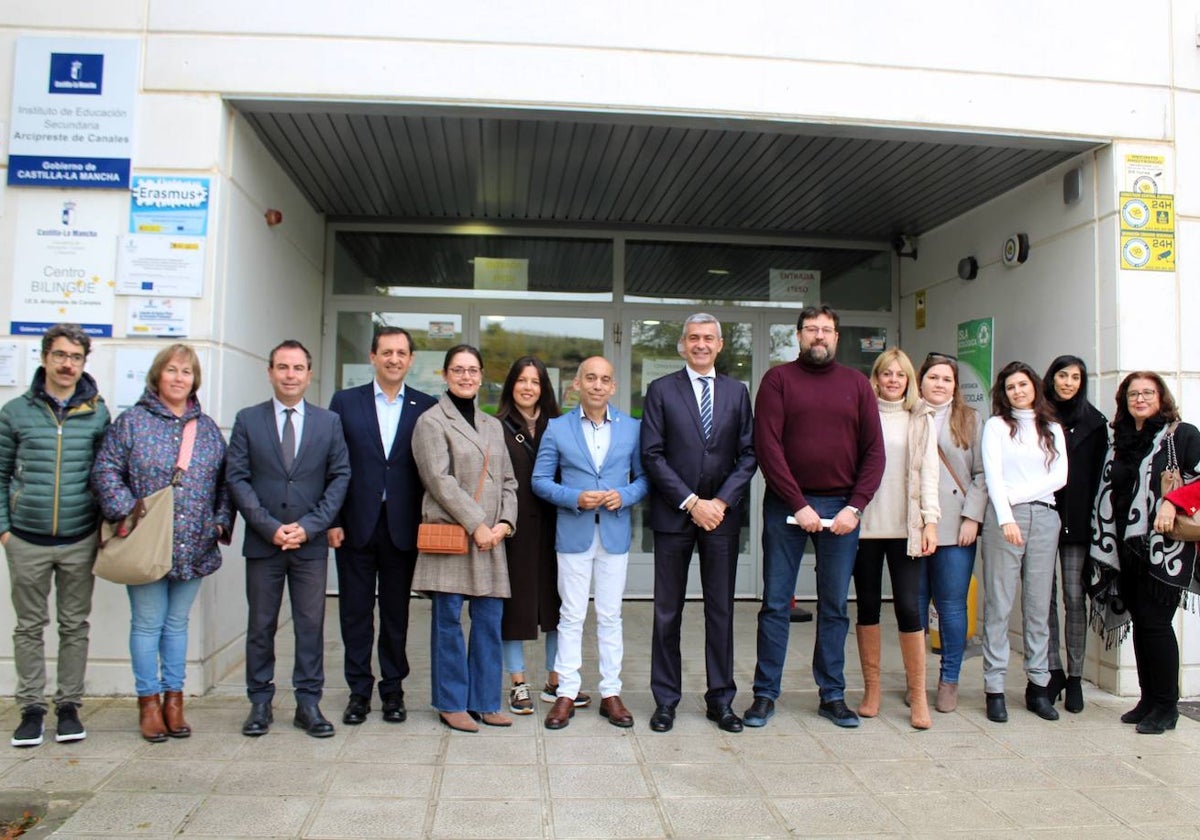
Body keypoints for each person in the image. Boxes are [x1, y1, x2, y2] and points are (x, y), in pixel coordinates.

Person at [747, 305, 884, 729]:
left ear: (837, 337)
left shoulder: (857, 385)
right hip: (787, 506)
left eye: (826, 330)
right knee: (775, 604)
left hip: (842, 508)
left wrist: (855, 506)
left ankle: (832, 695)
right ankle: (765, 695)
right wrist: (798, 504)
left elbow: (874, 453)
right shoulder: (778, 381)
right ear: (799, 336)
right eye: (811, 330)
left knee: (834, 606)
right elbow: (767, 447)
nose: (818, 336)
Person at [91, 344, 234, 742]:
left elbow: (226, 483)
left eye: (186, 372)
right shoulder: (132, 423)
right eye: (171, 370)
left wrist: (220, 523)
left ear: (194, 380)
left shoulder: (205, 429)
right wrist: (129, 514)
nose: (178, 378)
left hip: (194, 545)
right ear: (157, 376)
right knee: (148, 624)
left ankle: (175, 700)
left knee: (176, 624)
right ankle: (148, 702)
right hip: (146, 545)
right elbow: (105, 471)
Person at [226, 340, 350, 738]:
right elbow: (237, 478)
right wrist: (267, 526)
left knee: (310, 625)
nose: (290, 375)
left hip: (309, 544)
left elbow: (340, 477)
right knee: (261, 625)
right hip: (265, 543)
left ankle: (308, 703)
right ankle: (260, 702)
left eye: (298, 368)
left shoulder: (327, 422)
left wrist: (311, 526)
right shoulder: (248, 419)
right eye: (283, 367)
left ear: (308, 375)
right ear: (270, 372)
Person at [640, 314, 756, 733]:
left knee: (721, 612)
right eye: (693, 338)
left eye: (708, 338)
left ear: (720, 345)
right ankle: (666, 700)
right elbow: (651, 454)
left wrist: (720, 502)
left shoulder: (737, 392)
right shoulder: (660, 390)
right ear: (682, 345)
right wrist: (692, 503)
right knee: (667, 613)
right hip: (675, 517)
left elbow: (748, 454)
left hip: (721, 520)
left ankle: (721, 700)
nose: (701, 344)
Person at [0, 324, 110, 748]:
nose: (68, 364)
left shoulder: (97, 412)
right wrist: (5, 532)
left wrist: (101, 528)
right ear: (45, 357)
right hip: (26, 538)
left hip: (79, 536)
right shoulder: (15, 412)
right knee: (29, 626)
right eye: (61, 355)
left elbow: (104, 474)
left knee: (74, 625)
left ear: (84, 362)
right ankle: (30, 708)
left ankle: (68, 706)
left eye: (76, 357)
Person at [532, 356, 649, 731]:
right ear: (577, 384)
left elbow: (645, 479)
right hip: (574, 532)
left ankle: (610, 693)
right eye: (591, 378)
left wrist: (626, 495)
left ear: (613, 387)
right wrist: (574, 497)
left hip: (614, 533)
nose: (598, 385)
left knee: (611, 615)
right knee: (571, 615)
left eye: (605, 380)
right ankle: (566, 691)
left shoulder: (632, 428)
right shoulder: (556, 428)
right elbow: (539, 480)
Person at [327, 327, 436, 726]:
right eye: (386, 352)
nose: (394, 359)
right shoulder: (345, 402)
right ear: (372, 357)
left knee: (396, 614)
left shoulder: (426, 406)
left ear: (410, 360)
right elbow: (332, 464)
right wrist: (333, 520)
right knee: (355, 613)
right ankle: (359, 691)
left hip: (401, 528)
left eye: (401, 353)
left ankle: (393, 689)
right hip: (355, 526)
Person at [411, 345, 518, 732]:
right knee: (448, 623)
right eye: (458, 370)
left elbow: (509, 481)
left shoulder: (492, 426)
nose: (466, 377)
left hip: (492, 539)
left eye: (473, 370)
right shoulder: (431, 422)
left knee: (489, 621)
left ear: (482, 375)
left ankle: (486, 701)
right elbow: (439, 481)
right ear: (444, 375)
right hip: (455, 535)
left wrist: (505, 523)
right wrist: (478, 524)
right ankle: (452, 702)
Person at [1090, 372, 1200, 734]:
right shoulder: (1119, 441)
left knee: (1155, 625)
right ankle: (1148, 699)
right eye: (1133, 394)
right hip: (1125, 549)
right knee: (1142, 626)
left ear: (1161, 397)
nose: (1140, 399)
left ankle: (1167, 706)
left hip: (1165, 548)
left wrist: (1172, 501)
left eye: (1147, 393)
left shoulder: (1180, 435)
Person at [852, 348, 938, 730]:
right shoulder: (861, 415)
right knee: (868, 606)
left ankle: (917, 694)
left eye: (899, 375)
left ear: (908, 380)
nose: (892, 380)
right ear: (875, 377)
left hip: (906, 530)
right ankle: (872, 690)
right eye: (885, 373)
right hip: (865, 527)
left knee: (908, 607)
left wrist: (930, 522)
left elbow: (930, 474)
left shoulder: (920, 418)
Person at [980, 361, 1067, 724]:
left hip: (1046, 516)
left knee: (1037, 606)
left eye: (1023, 384)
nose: (1018, 391)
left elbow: (1060, 476)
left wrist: (1020, 495)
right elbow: (993, 476)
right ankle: (994, 687)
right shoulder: (996, 426)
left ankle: (1038, 686)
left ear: (1035, 386)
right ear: (1004, 392)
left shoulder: (1053, 428)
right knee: (999, 604)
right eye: (1011, 386)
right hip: (1005, 518)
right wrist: (1007, 514)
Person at [495, 356, 577, 715]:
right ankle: (517, 682)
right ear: (511, 384)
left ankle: (555, 679)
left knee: (557, 604)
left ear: (544, 388)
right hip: (513, 528)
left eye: (536, 382)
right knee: (514, 605)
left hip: (555, 525)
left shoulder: (558, 426)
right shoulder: (494, 426)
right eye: (522, 380)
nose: (528, 387)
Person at [914, 353, 987, 714]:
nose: (940, 384)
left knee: (951, 607)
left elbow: (982, 474)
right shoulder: (907, 415)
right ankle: (917, 679)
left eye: (947, 379)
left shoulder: (970, 420)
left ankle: (949, 679)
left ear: (955, 386)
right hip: (912, 526)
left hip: (956, 525)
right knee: (913, 606)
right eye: (933, 377)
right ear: (921, 379)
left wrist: (973, 517)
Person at [1041, 355, 1107, 713]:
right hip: (1043, 515)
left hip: (1078, 524)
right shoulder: (1038, 417)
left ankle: (1076, 677)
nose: (1068, 382)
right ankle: (1053, 671)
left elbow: (1099, 479)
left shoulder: (1095, 423)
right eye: (1062, 375)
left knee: (1073, 597)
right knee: (1043, 598)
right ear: (1051, 379)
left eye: (1075, 377)